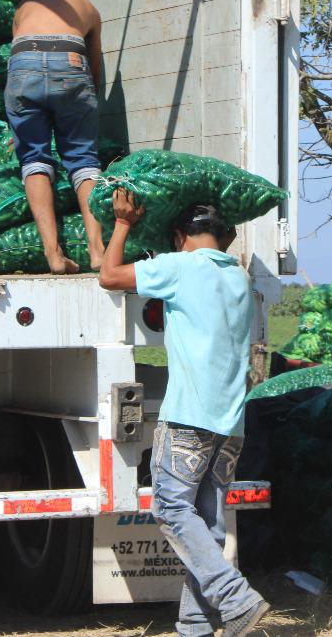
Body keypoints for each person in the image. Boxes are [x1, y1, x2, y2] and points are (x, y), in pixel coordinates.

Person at [98, 190, 270, 637]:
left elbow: (109, 276)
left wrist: (123, 224)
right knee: (207, 524)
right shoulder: (238, 277)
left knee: (171, 508)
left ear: (179, 236)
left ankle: (235, 597)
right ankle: (195, 625)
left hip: (189, 417)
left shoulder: (179, 266)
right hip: (231, 423)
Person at [6, 0, 106, 274]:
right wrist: (89, 104)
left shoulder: (26, 5)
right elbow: (95, 65)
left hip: (24, 67)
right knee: (83, 159)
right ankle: (97, 250)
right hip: (71, 62)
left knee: (34, 157)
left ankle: (53, 254)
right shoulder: (87, 7)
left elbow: (15, 58)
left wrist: (16, 122)